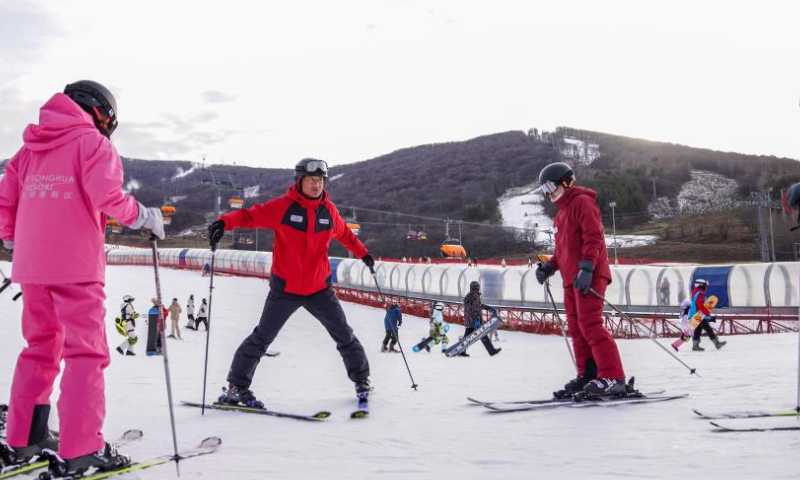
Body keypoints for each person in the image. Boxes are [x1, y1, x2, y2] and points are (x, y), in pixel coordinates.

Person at [0, 80, 164, 474]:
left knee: (39, 349)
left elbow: (5, 203)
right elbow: (106, 195)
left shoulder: (27, 151)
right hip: (75, 266)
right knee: (85, 355)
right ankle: (80, 451)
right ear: (103, 114)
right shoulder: (93, 144)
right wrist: (146, 217)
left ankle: (25, 440)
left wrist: (14, 240)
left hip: (32, 267)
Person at [207, 158, 373, 406]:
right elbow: (249, 216)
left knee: (344, 335)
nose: (316, 185)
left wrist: (364, 255)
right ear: (300, 181)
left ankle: (362, 379)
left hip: (319, 289)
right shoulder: (283, 208)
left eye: (319, 180)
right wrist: (224, 222)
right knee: (262, 338)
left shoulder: (329, 211)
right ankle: (236, 387)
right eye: (311, 180)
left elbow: (346, 235)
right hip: (285, 289)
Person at [535, 162, 627, 396]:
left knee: (591, 324)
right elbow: (563, 251)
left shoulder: (583, 203)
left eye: (550, 187)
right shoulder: (560, 216)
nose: (548, 193)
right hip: (570, 279)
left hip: (590, 275)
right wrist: (548, 267)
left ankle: (612, 376)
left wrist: (587, 268)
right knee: (576, 328)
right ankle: (589, 373)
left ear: (566, 182)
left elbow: (594, 238)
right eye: (544, 190)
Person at [460, 281, 501, 357]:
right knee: (483, 335)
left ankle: (462, 350)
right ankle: (491, 351)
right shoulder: (475, 296)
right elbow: (476, 309)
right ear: (477, 287)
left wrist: (489, 308)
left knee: (467, 337)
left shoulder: (469, 295)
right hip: (475, 321)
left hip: (469, 320)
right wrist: (477, 320)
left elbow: (478, 306)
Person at [689, 279, 726, 351]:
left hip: (695, 314)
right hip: (699, 314)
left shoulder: (695, 292)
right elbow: (700, 305)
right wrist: (707, 314)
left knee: (698, 330)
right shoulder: (699, 293)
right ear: (701, 285)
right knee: (708, 329)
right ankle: (717, 343)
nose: (706, 286)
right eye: (705, 285)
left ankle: (695, 346)